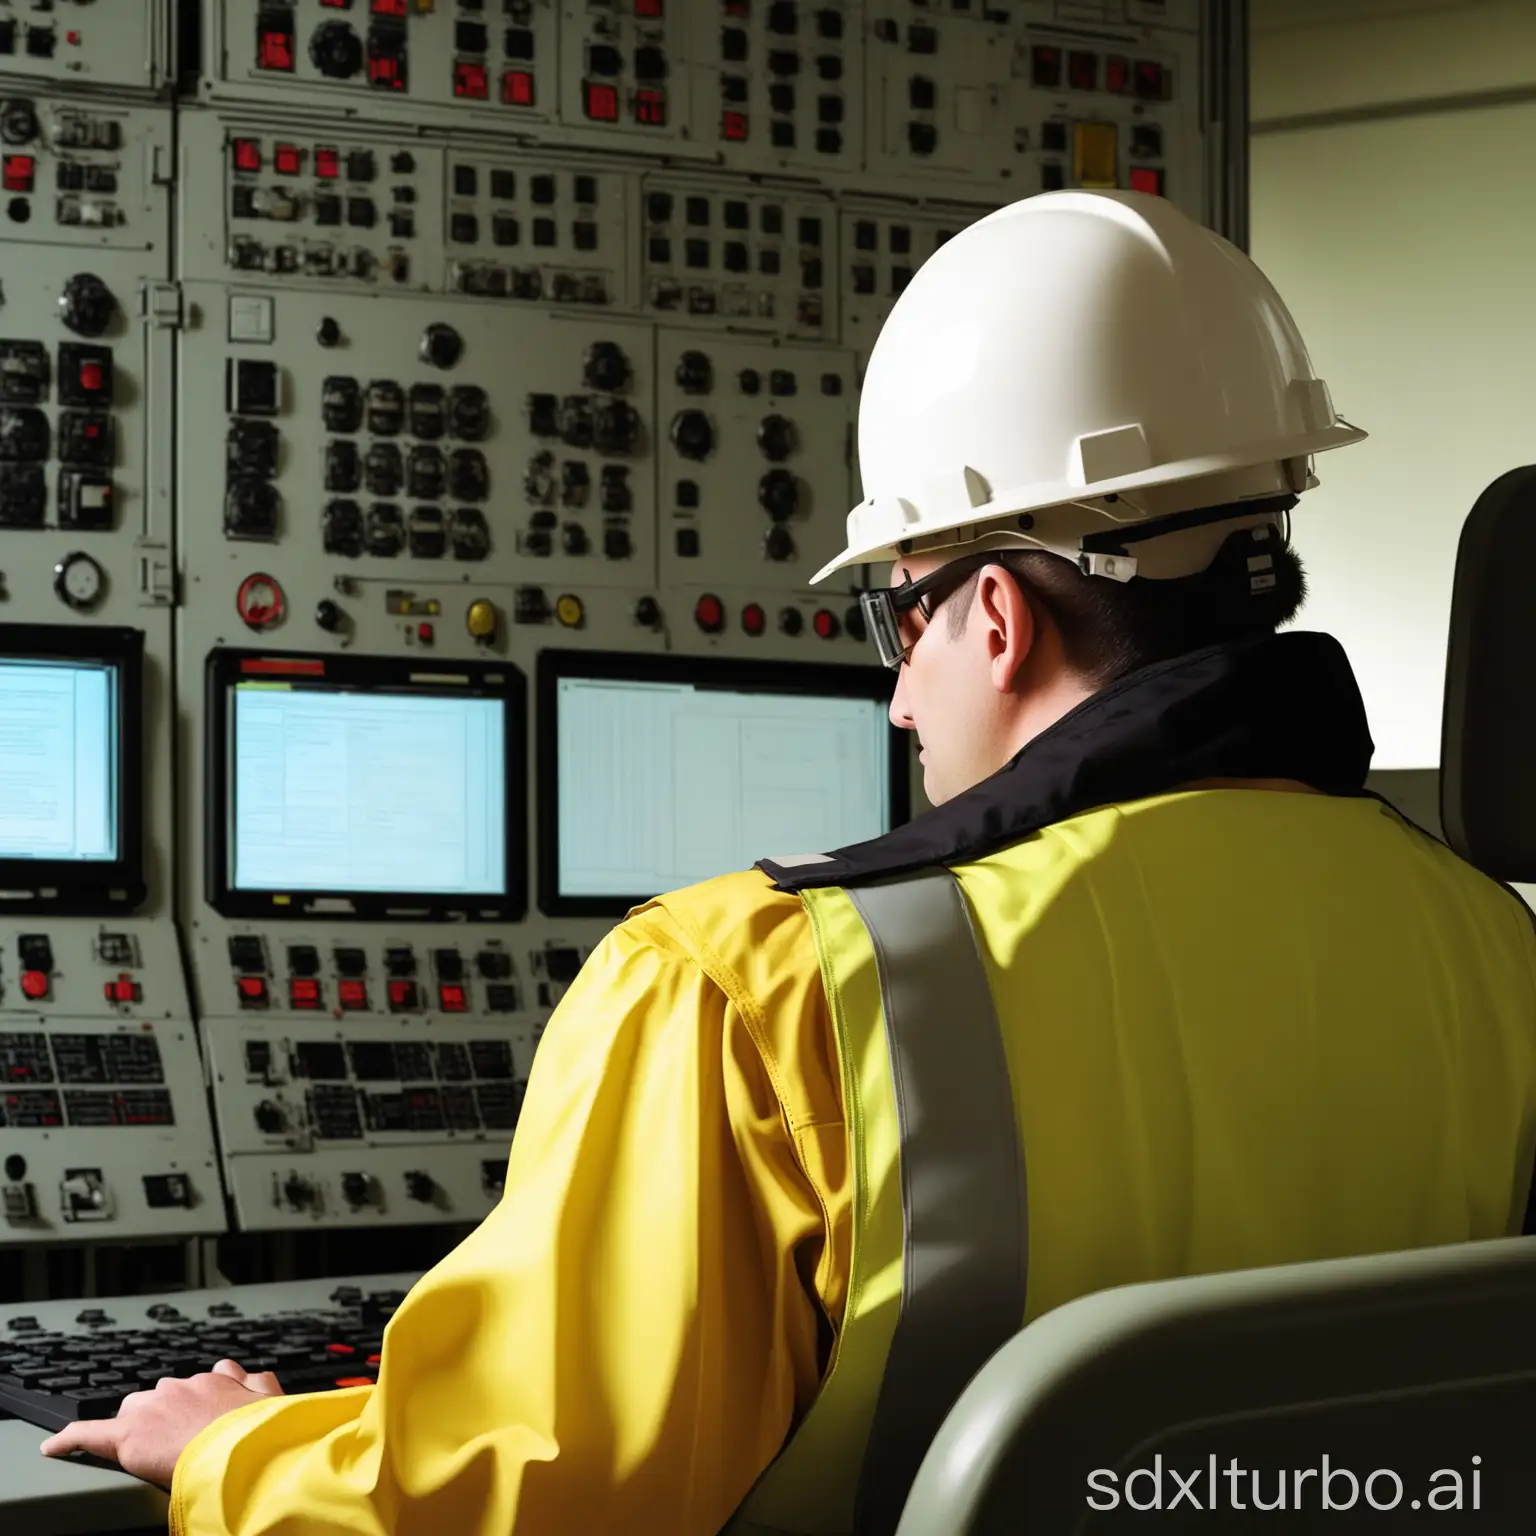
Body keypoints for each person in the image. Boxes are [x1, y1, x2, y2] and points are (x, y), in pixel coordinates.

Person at [44, 190, 1536, 1536]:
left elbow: (531, 1506)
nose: (897, 696)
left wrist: (240, 1451)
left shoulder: (751, 990)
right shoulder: (1492, 951)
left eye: (902, 618)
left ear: (998, 616)